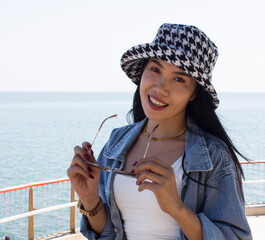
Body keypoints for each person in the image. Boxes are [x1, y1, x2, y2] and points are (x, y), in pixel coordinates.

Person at [67, 23, 252, 240]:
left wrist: (175, 207)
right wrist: (89, 199)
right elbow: (106, 234)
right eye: (155, 69)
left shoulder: (214, 157)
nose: (160, 88)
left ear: (193, 93)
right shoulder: (116, 142)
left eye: (179, 78)